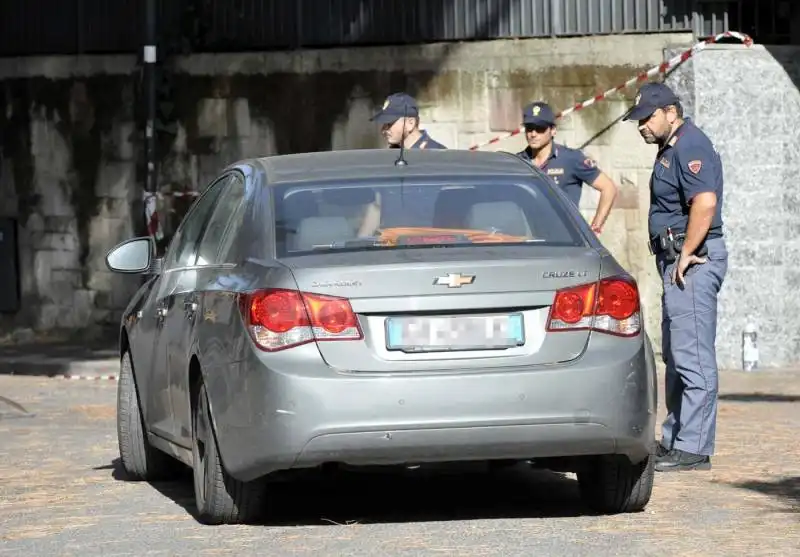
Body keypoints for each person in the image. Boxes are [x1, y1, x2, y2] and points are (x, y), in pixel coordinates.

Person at [623, 81, 728, 473]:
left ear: (671, 111)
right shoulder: (672, 147)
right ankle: (676, 438)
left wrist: (685, 254)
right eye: (638, 121)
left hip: (694, 262)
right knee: (676, 353)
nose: (641, 127)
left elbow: (704, 202)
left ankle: (694, 447)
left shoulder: (690, 144)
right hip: (675, 263)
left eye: (647, 118)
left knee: (693, 356)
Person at [515, 101, 618, 234]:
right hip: (532, 240)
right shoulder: (518, 161)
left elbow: (608, 188)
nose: (533, 134)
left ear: (553, 130)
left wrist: (595, 228)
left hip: (568, 242)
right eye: (529, 128)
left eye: (540, 128)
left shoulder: (570, 159)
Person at [370, 92, 447, 150]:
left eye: (390, 123)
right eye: (384, 124)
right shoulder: (394, 153)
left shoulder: (436, 155)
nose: (384, 130)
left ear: (410, 123)